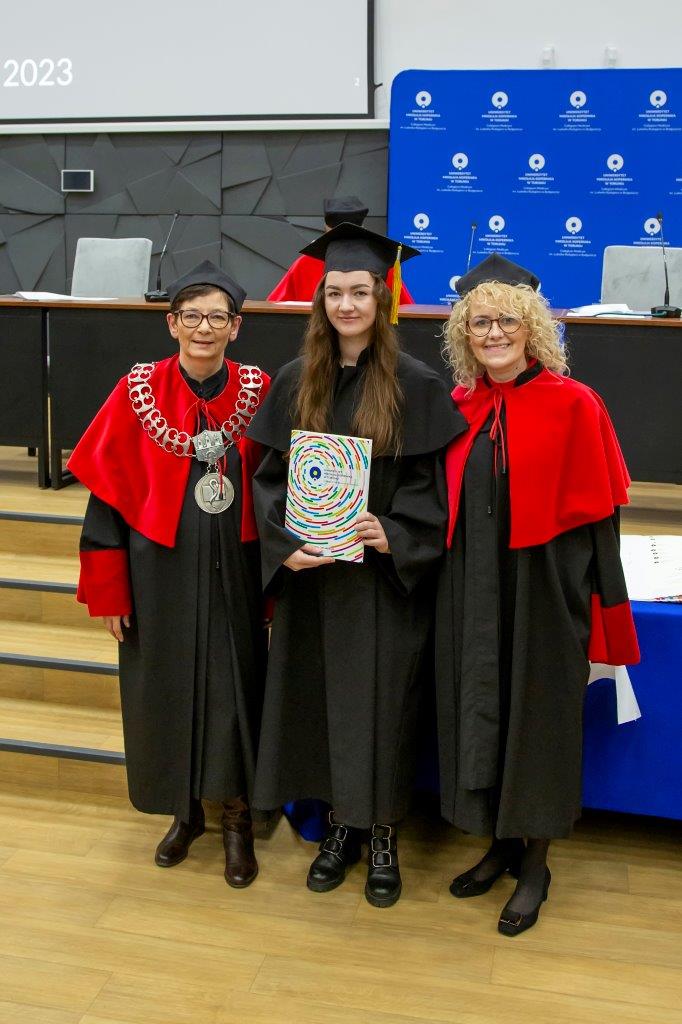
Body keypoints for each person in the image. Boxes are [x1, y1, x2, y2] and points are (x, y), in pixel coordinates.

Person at [248, 223, 466, 908]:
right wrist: (285, 543)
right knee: (320, 706)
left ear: (381, 298)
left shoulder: (414, 384)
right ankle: (340, 827)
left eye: (360, 292)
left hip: (380, 585)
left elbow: (431, 489)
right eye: (335, 292)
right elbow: (267, 480)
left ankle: (383, 835)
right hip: (315, 581)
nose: (346, 304)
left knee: (382, 708)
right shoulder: (296, 380)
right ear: (321, 300)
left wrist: (392, 531)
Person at [435, 253, 640, 935]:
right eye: (480, 322)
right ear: (464, 333)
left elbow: (603, 522)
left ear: (533, 328)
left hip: (546, 592)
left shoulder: (575, 403)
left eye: (508, 321)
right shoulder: (460, 406)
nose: (494, 333)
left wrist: (606, 612)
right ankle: (499, 843)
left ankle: (536, 864)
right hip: (473, 588)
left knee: (539, 720)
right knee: (483, 710)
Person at [67, 260, 270, 888]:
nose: (204, 327)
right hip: (157, 570)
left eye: (217, 317)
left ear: (236, 327)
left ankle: (236, 817)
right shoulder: (138, 392)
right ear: (172, 323)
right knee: (163, 687)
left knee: (233, 689)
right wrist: (109, 590)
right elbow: (106, 501)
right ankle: (185, 813)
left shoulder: (260, 391)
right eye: (192, 316)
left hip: (237, 570)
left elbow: (283, 484)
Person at [267, 195, 415, 304]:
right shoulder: (379, 262)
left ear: (326, 228)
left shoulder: (304, 263)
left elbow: (272, 307)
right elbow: (406, 309)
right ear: (363, 228)